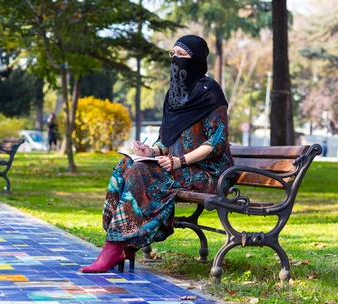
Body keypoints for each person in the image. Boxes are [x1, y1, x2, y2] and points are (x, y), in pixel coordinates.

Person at [80, 35, 234, 273]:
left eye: (182, 55)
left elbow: (217, 142)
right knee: (126, 165)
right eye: (172, 54)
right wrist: (150, 151)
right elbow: (167, 140)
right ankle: (122, 243)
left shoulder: (210, 92)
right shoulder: (174, 96)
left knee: (143, 172)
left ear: (197, 59)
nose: (175, 59)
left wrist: (179, 161)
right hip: (178, 167)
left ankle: (115, 247)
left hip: (210, 173)